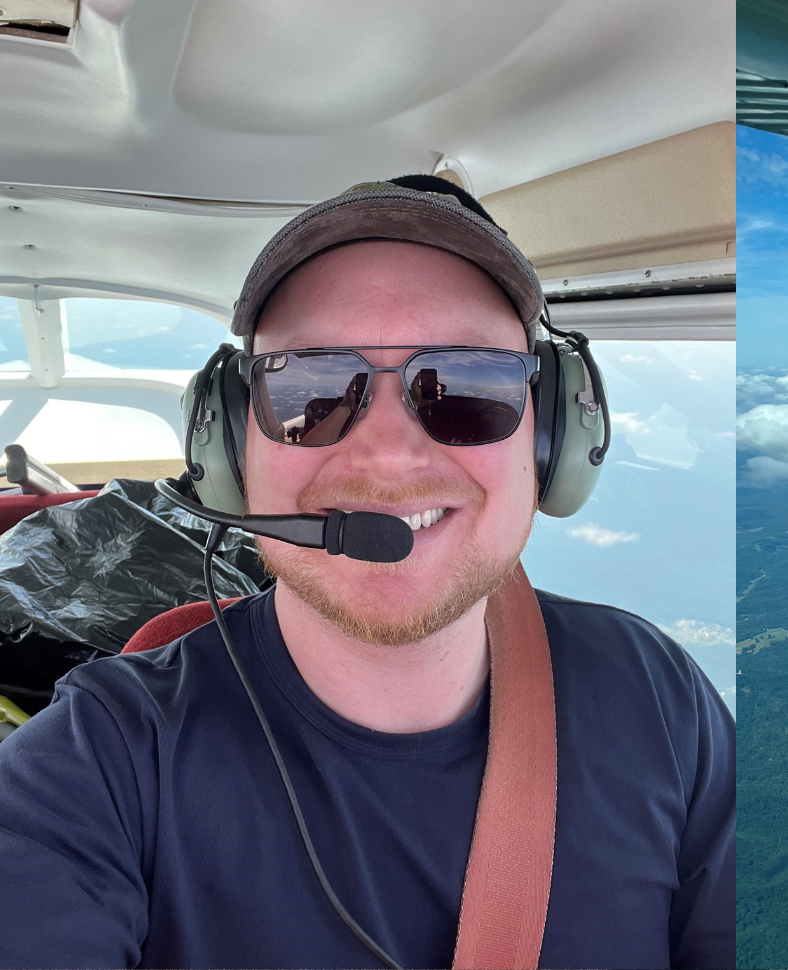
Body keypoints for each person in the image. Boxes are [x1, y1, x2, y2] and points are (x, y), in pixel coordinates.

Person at [0, 177, 734, 968]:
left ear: (551, 438)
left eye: (467, 385)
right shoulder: (99, 759)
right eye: (308, 386)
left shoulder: (659, 697)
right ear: (229, 449)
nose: (387, 453)